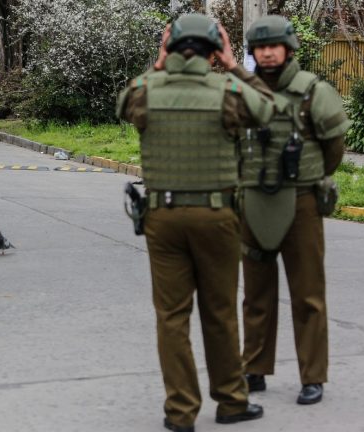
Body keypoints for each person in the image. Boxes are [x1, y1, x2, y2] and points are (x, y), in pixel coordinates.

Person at [116, 14, 275, 432]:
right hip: (217, 216)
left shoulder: (146, 90)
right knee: (220, 313)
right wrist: (235, 62)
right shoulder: (228, 89)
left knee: (172, 317)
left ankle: (181, 412)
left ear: (169, 48)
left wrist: (157, 62)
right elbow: (269, 109)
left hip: (162, 217)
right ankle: (231, 402)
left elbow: (122, 103)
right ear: (212, 49)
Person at [233, 15, 351, 405]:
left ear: (288, 49)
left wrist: (310, 177)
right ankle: (255, 369)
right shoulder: (242, 95)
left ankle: (312, 376)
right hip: (253, 202)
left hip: (302, 202)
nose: (267, 53)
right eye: (260, 47)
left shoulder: (312, 92)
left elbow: (334, 146)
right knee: (256, 294)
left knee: (308, 293)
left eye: (274, 46)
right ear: (253, 52)